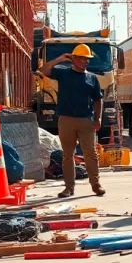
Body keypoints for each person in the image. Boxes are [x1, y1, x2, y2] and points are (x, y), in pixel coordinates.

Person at [40, 43, 105, 198]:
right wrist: (60, 59)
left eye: (87, 59)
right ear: (74, 59)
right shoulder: (63, 73)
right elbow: (43, 70)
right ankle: (69, 188)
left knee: (91, 154)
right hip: (66, 120)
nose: (86, 62)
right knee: (67, 155)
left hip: (86, 120)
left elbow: (98, 100)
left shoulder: (92, 78)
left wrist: (98, 118)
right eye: (83, 59)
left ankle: (96, 185)